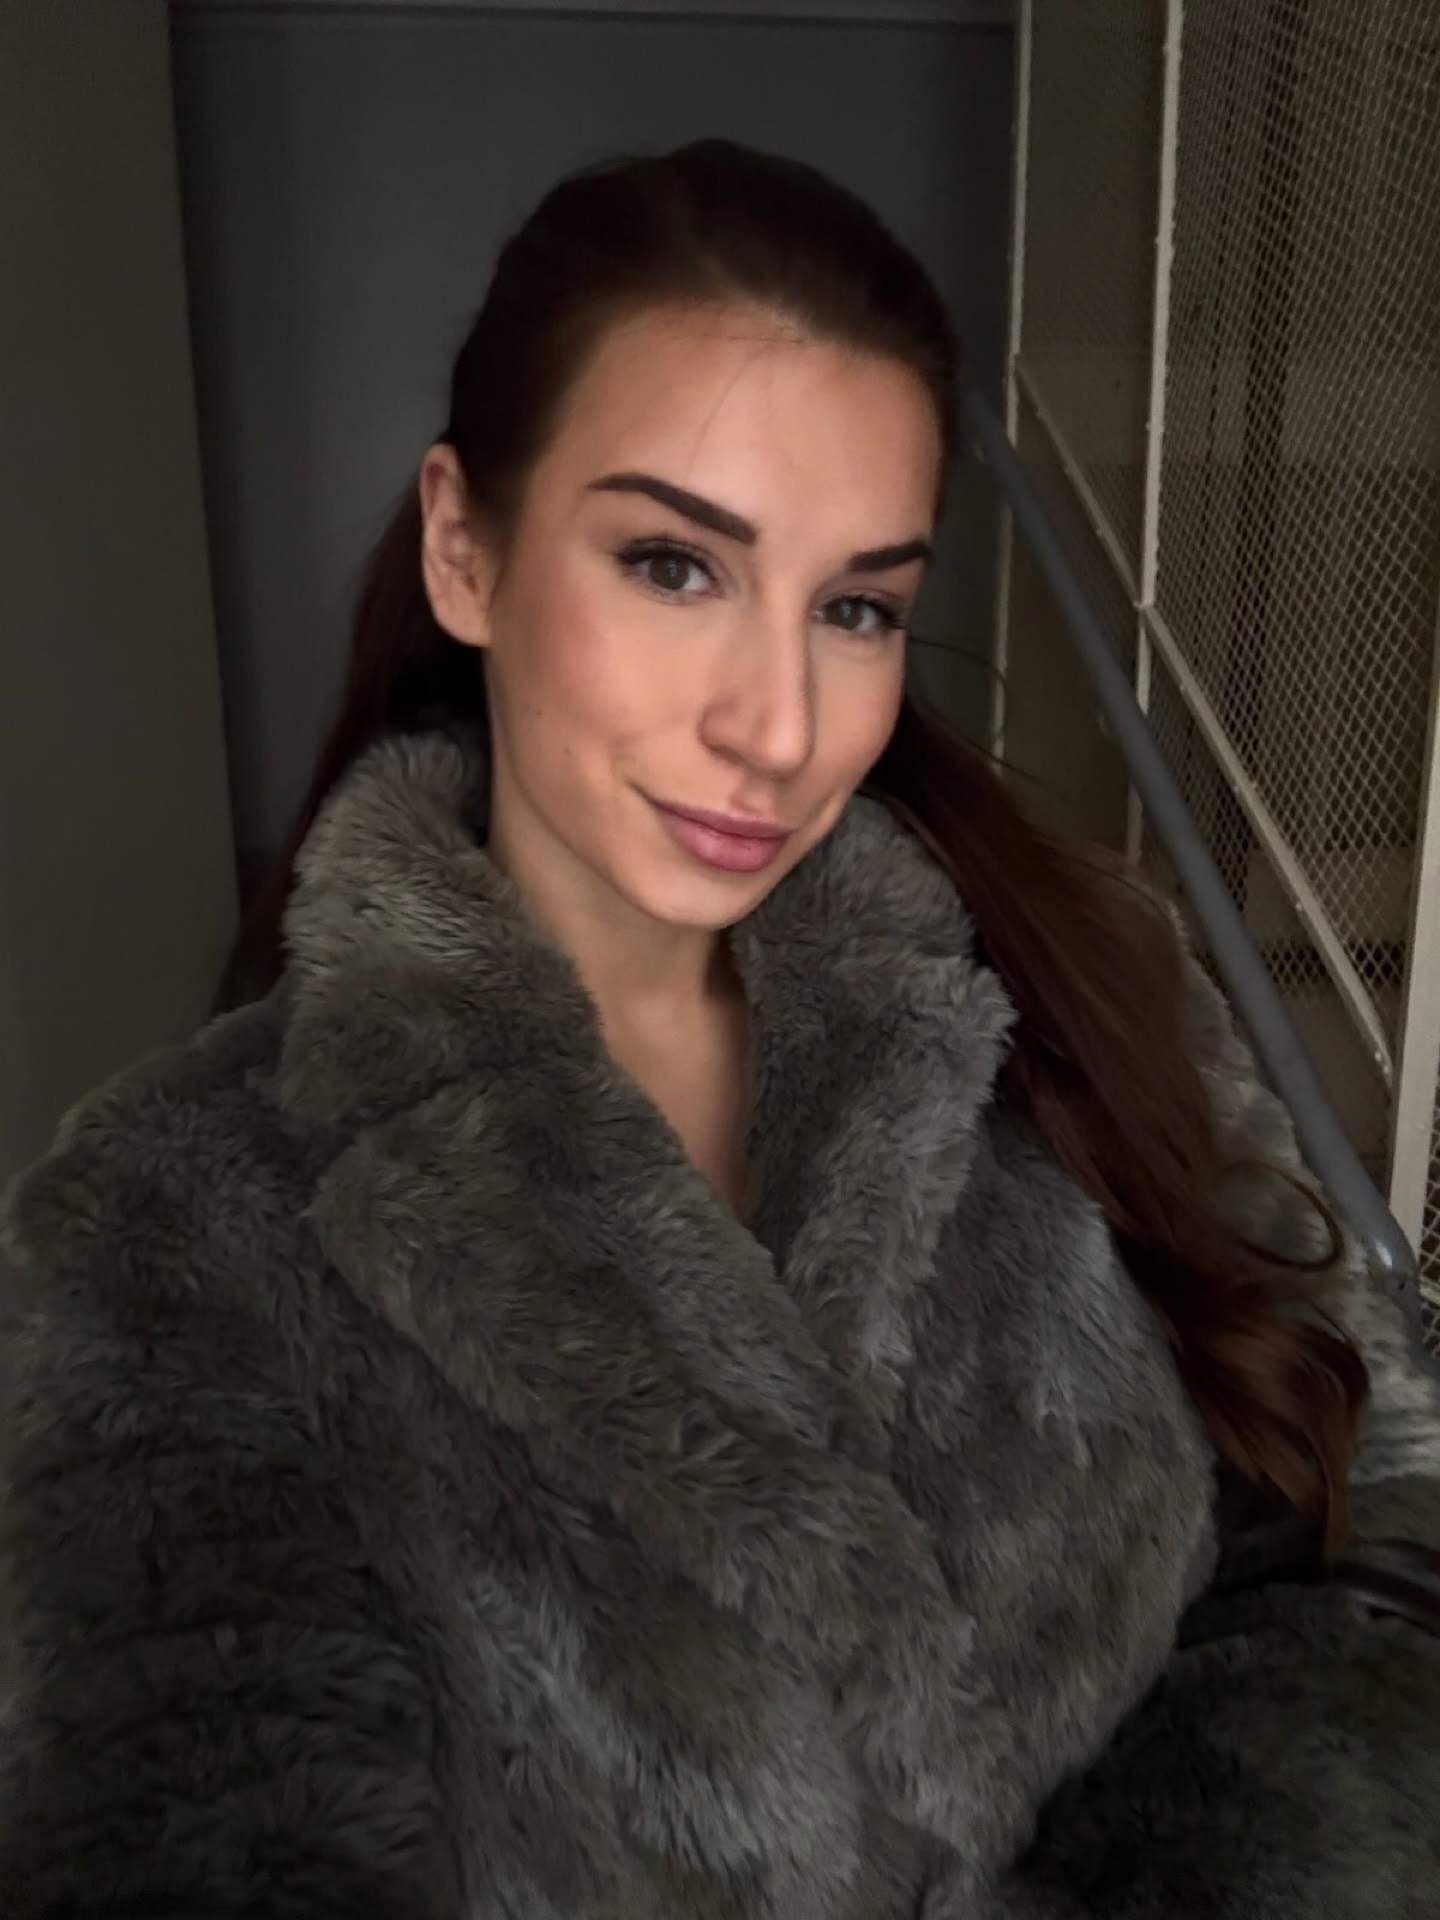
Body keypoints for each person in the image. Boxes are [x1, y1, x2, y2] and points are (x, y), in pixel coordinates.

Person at [2, 139, 1438, 1919]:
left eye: (856, 609)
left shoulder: (1093, 991)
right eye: (675, 565)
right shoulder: (165, 1226)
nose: (778, 725)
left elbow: (1370, 1533)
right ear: (464, 549)